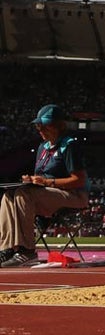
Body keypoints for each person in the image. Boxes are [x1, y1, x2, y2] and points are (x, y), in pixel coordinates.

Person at [0, 104, 90, 268]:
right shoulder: (43, 147)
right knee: (9, 195)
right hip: (47, 195)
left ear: (59, 126)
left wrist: (46, 182)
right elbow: (41, 178)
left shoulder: (69, 145)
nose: (40, 129)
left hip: (74, 196)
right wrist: (32, 180)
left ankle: (26, 251)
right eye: (38, 126)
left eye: (45, 125)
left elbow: (79, 180)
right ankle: (7, 249)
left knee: (23, 194)